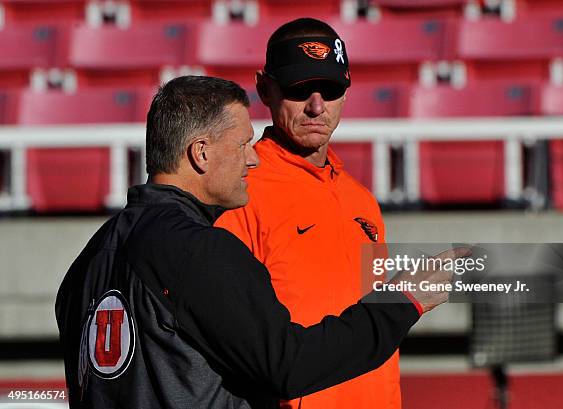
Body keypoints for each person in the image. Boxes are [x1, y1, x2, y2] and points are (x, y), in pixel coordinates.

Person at [55, 75, 465, 409]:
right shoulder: (200, 249)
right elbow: (288, 366)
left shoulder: (86, 263)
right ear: (200, 153)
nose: (253, 159)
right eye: (242, 145)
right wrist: (403, 300)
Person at [215, 18, 399, 409]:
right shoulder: (238, 192)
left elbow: (374, 323)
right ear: (265, 89)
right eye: (300, 89)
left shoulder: (362, 200)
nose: (317, 106)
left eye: (330, 89)